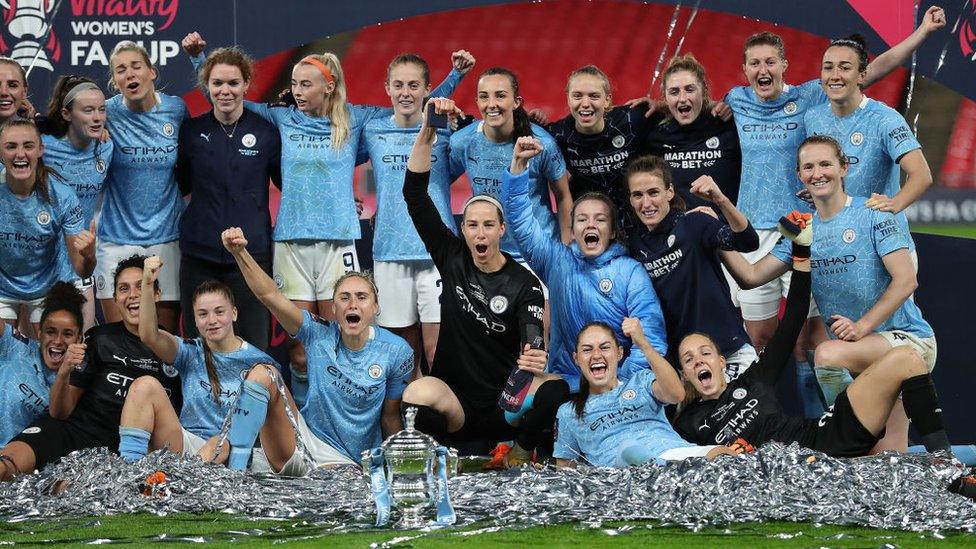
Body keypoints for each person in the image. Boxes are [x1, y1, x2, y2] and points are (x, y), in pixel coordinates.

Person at [182, 33, 465, 371]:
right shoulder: (281, 118)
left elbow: (409, 105)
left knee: (339, 340)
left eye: (305, 85)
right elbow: (228, 99)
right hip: (291, 243)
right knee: (300, 350)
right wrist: (199, 60)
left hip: (339, 242)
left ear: (328, 87)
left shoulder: (356, 120)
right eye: (295, 84)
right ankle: (306, 419)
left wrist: (453, 81)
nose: (297, 91)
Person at [722, 9, 945, 416]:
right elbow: (751, 274)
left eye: (845, 68)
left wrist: (893, 205)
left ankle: (903, 437)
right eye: (828, 68)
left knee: (862, 346)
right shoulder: (809, 110)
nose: (835, 75)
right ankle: (836, 429)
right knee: (822, 347)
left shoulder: (865, 112)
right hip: (814, 231)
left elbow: (919, 172)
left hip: (877, 241)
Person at [671, 220, 975, 505]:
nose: (699, 360)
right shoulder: (687, 422)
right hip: (792, 475)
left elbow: (794, 317)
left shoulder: (753, 381)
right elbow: (676, 460)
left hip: (827, 437)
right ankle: (888, 458)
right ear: (685, 373)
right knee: (890, 450)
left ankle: (947, 470)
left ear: (722, 361)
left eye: (704, 352)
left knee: (907, 357)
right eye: (689, 359)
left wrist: (801, 251)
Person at [723, 135, 935, 453]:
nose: (817, 173)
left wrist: (861, 326)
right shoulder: (802, 231)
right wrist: (715, 234)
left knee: (827, 355)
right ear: (800, 175)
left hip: (907, 341)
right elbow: (751, 276)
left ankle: (847, 428)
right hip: (861, 360)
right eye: (808, 167)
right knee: (885, 460)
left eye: (825, 164)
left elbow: (906, 281)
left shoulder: (876, 212)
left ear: (844, 168)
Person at [398, 98, 566, 465]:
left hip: (506, 404)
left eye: (489, 224)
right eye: (472, 224)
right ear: (463, 229)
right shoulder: (452, 256)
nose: (480, 232)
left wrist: (534, 356)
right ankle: (444, 461)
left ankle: (520, 451)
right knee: (415, 395)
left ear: (502, 230)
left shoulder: (525, 283)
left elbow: (532, 345)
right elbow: (413, 195)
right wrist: (427, 130)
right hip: (455, 401)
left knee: (555, 389)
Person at [220, 228, 412, 474]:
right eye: (344, 297)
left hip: (351, 465)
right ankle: (235, 474)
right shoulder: (317, 332)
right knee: (261, 374)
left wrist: (397, 469)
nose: (353, 303)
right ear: (333, 307)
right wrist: (240, 253)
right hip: (304, 447)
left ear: (375, 307)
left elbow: (390, 417)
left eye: (362, 297)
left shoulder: (396, 351)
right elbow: (270, 295)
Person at [502, 136, 667, 393]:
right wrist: (518, 168)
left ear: (612, 231)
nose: (590, 225)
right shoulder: (556, 261)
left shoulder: (630, 272)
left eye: (599, 219)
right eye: (582, 219)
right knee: (517, 410)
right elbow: (520, 223)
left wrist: (615, 383)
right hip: (565, 382)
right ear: (573, 229)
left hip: (617, 386)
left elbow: (652, 340)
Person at [0, 255, 180, 480]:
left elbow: (171, 432)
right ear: (114, 298)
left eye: (141, 286)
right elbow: (60, 412)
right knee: (7, 464)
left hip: (116, 450)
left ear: (156, 294)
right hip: (71, 431)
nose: (133, 295)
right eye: (124, 289)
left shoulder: (174, 350)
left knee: (56, 489)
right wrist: (65, 370)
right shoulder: (99, 338)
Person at [362, 51, 475, 375]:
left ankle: (442, 420)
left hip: (437, 253)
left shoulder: (441, 128)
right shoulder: (373, 130)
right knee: (403, 356)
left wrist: (455, 79)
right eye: (398, 85)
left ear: (428, 89)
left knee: (438, 349)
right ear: (387, 88)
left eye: (414, 85)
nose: (405, 92)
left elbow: (441, 115)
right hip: (390, 253)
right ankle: (410, 424)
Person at [115, 256, 280, 463]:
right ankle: (129, 475)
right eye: (203, 314)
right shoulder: (189, 352)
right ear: (195, 320)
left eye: (219, 312)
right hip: (187, 447)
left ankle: (184, 481)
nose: (212, 320)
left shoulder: (260, 363)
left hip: (234, 456)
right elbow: (149, 335)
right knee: (143, 386)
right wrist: (147, 284)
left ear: (234, 313)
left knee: (219, 443)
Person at [175, 46, 282, 350]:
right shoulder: (191, 132)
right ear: (206, 87)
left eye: (233, 83)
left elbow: (291, 183)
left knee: (254, 346)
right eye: (217, 83)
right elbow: (179, 185)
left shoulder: (266, 133)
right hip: (199, 256)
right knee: (200, 348)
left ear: (246, 83)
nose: (225, 91)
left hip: (250, 256)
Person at [624, 155, 758, 379]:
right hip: (685, 367)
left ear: (669, 192)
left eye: (653, 192)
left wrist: (720, 200)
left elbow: (747, 241)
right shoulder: (633, 246)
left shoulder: (694, 224)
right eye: (637, 195)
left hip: (729, 353)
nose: (646, 203)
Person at [450, 67, 572, 311]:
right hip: (487, 255)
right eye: (484, 96)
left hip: (538, 255)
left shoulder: (541, 144)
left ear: (516, 102)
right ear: (477, 101)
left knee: (539, 342)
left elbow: (564, 196)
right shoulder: (463, 142)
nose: (491, 104)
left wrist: (565, 252)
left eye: (500, 95)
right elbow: (437, 186)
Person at [95, 41, 188, 332]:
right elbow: (65, 127)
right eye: (120, 70)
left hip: (166, 238)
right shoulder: (104, 112)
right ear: (115, 81)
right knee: (121, 342)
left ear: (151, 72)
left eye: (136, 66)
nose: (130, 74)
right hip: (116, 241)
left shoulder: (175, 109)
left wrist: (198, 58)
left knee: (164, 339)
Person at [554, 320, 735, 468]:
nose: (596, 355)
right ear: (577, 359)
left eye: (604, 347)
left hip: (675, 456)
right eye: (587, 350)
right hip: (621, 478)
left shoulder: (641, 381)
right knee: (629, 451)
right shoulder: (568, 412)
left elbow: (677, 394)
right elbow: (566, 472)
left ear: (619, 353)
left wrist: (643, 344)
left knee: (723, 454)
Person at [0, 118, 95, 334]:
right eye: (11, 146)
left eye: (28, 146)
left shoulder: (62, 196)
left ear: (41, 149)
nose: (20, 154)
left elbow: (81, 269)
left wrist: (89, 256)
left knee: (48, 360)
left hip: (48, 288)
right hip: (2, 288)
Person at [42, 75, 113, 332]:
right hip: (41, 265)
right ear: (66, 114)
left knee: (82, 346)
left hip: (80, 263)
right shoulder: (41, 145)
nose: (97, 117)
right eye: (88, 110)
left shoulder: (106, 147)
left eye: (101, 110)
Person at [643, 54, 741, 212]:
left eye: (690, 89)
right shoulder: (653, 133)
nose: (682, 98)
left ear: (703, 91)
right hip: (677, 233)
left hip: (726, 230)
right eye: (674, 92)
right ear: (665, 97)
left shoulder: (727, 124)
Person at [0, 282, 85, 449]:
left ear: (79, 339)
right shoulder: (16, 347)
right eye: (50, 331)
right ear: (39, 334)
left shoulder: (80, 379)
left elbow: (60, 414)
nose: (58, 341)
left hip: (23, 464)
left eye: (67, 334)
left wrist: (64, 371)